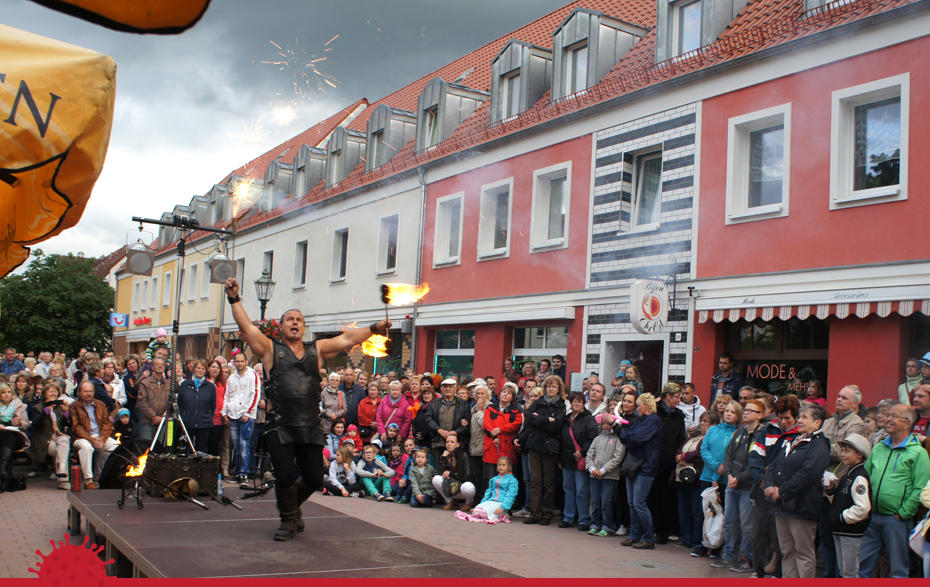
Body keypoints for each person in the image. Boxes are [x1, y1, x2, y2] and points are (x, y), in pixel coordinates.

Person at [225, 276, 391, 541]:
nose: (295, 322)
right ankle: (288, 520)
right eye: (289, 319)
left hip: (310, 426)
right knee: (285, 476)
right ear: (280, 327)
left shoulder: (318, 349)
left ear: (304, 327)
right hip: (281, 426)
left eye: (299, 320)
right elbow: (245, 326)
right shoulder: (269, 350)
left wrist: (374, 327)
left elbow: (348, 338)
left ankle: (290, 506)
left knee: (314, 479)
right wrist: (234, 297)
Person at [857, 403, 930, 578]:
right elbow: (865, 476)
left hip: (896, 520)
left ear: (906, 423)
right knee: (863, 567)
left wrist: (903, 514)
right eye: (888, 415)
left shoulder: (918, 453)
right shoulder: (880, 447)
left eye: (893, 416)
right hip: (872, 517)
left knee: (898, 570)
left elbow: (920, 487)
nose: (888, 419)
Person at [762, 403, 831, 579]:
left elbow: (807, 474)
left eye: (804, 417)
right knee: (787, 550)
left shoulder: (819, 445)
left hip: (802, 506)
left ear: (817, 423)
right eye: (800, 416)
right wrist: (769, 485)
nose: (799, 420)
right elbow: (774, 465)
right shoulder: (793, 441)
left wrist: (782, 491)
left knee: (803, 552)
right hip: (782, 505)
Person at [747, 394, 801, 578]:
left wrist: (777, 486)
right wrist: (761, 480)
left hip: (783, 494)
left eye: (788, 418)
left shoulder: (800, 435)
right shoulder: (768, 430)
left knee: (780, 538)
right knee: (758, 534)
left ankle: (778, 572)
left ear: (796, 417)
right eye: (781, 417)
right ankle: (757, 569)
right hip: (761, 491)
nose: (784, 422)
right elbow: (755, 456)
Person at [602, 393, 663, 549]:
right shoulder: (641, 420)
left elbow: (633, 438)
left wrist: (615, 425)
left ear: (646, 406)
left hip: (645, 466)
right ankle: (635, 535)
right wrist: (620, 427)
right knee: (632, 503)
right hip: (634, 465)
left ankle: (648, 537)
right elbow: (627, 436)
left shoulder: (653, 421)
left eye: (639, 404)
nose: (636, 407)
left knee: (639, 503)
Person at [819, 384, 866, 577]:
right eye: (838, 396)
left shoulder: (857, 424)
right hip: (823, 484)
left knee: (840, 536)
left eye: (844, 398)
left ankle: (839, 576)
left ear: (855, 403)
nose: (839, 399)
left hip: (841, 486)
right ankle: (828, 574)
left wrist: (820, 449)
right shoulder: (829, 421)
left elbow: (841, 452)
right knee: (825, 536)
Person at [714, 398, 765, 572]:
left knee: (747, 524)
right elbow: (728, 455)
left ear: (760, 415)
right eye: (745, 410)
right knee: (729, 521)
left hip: (747, 486)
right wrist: (729, 475)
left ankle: (746, 557)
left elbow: (757, 463)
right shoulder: (740, 431)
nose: (746, 412)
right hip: (732, 483)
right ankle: (729, 554)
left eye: (751, 410)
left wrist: (740, 478)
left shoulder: (762, 435)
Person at [522, 375, 567, 526]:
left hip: (550, 447)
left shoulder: (561, 405)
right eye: (549, 386)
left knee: (548, 482)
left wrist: (539, 419)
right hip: (534, 445)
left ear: (559, 389)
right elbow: (530, 419)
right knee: (535, 481)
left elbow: (557, 427)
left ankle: (546, 513)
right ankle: (534, 513)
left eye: (554, 386)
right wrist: (548, 419)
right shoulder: (539, 402)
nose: (551, 389)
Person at [826, 433, 872, 578]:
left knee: (850, 573)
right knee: (843, 571)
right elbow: (843, 498)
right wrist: (830, 489)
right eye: (843, 450)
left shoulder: (859, 476)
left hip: (850, 532)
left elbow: (863, 508)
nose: (843, 455)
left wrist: (842, 517)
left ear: (859, 454)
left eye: (847, 451)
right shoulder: (848, 474)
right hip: (841, 530)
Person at [652, 382, 687, 544]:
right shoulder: (654, 412)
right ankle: (650, 528)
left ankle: (663, 532)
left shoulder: (679, 417)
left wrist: (679, 454)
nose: (679, 400)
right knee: (650, 497)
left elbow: (681, 440)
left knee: (666, 499)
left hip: (669, 464)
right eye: (677, 397)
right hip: (651, 462)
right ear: (668, 396)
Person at [678, 411, 716, 556]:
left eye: (707, 421)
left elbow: (700, 453)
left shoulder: (709, 438)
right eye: (702, 420)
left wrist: (683, 456)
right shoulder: (694, 436)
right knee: (684, 510)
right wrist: (679, 455)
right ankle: (685, 537)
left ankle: (696, 539)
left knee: (696, 511)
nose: (703, 423)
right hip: (683, 477)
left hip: (698, 478)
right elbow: (680, 447)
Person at [71, 380, 120, 490]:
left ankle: (109, 477)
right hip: (82, 437)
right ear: (79, 393)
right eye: (85, 391)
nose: (88, 394)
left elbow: (107, 424)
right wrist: (92, 440)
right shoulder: (74, 406)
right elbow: (76, 427)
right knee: (87, 448)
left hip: (100, 436)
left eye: (91, 391)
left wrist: (102, 439)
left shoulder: (100, 404)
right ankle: (88, 480)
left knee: (117, 447)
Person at [559, 391, 598, 530]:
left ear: (583, 403)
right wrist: (560, 458)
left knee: (582, 490)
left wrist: (582, 452)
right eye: (574, 401)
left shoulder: (589, 418)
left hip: (581, 459)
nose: (577, 403)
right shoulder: (566, 418)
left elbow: (593, 438)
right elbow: (561, 439)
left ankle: (583, 520)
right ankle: (568, 517)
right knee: (568, 489)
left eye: (579, 401)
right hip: (567, 459)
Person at [586, 412, 625, 536]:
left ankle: (607, 525)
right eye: (603, 424)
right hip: (594, 475)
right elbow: (589, 455)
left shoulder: (618, 440)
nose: (606, 426)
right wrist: (592, 469)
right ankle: (595, 524)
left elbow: (617, 458)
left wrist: (603, 470)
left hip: (609, 476)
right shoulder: (597, 439)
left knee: (606, 503)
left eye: (608, 424)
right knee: (596, 501)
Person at [26, 383, 71, 490]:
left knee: (65, 440)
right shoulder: (36, 408)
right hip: (44, 439)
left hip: (58, 436)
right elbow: (36, 423)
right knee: (62, 450)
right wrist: (46, 411)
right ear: (44, 394)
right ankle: (63, 480)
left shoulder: (59, 407)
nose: (53, 393)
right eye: (50, 391)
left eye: (55, 391)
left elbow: (68, 424)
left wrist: (66, 412)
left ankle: (61, 471)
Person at [223, 352, 259, 482]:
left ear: (246, 361)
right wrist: (224, 412)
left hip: (246, 416)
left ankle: (244, 473)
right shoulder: (232, 378)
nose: (239, 364)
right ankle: (238, 472)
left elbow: (255, 395)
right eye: (237, 361)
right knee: (236, 446)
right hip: (233, 415)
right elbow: (227, 396)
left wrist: (248, 413)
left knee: (244, 445)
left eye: (241, 361)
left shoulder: (252, 375)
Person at [426, 378, 470, 468]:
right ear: (441, 389)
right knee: (438, 470)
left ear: (455, 389)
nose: (447, 389)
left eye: (450, 387)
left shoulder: (463, 404)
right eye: (445, 387)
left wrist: (456, 432)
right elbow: (428, 419)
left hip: (457, 444)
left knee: (456, 469)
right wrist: (439, 430)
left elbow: (467, 423)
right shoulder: (434, 403)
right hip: (438, 442)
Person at [177, 360, 216, 454]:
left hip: (204, 422)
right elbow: (180, 403)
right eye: (198, 368)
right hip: (188, 421)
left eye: (203, 368)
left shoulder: (210, 386)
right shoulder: (185, 384)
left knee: (202, 448)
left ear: (206, 371)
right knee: (186, 447)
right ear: (194, 369)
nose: (200, 370)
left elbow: (212, 405)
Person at [0, 382, 31, 490]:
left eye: (9, 392)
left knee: (11, 436)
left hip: (16, 438)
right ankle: (4, 473)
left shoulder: (19, 406)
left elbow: (27, 425)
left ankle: (2, 469)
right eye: (3, 392)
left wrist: (19, 423)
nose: (6, 395)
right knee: (6, 438)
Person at [433, 432, 475, 511]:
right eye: (447, 442)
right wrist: (443, 458)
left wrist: (451, 473)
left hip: (462, 488)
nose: (449, 444)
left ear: (458, 444)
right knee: (436, 478)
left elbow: (466, 475)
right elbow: (441, 473)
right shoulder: (445, 455)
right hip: (450, 487)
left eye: (452, 442)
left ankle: (468, 502)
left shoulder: (463, 455)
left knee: (468, 487)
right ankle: (449, 501)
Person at [136, 356, 170, 446]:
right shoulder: (145, 383)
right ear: (152, 367)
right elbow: (142, 402)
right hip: (147, 421)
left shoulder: (169, 384)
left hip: (163, 421)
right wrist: (153, 416)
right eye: (157, 364)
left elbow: (172, 401)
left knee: (162, 447)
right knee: (146, 448)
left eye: (162, 364)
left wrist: (164, 415)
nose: (160, 366)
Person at [471, 456, 519, 521]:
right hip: (491, 501)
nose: (501, 467)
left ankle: (503, 514)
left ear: (509, 467)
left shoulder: (512, 480)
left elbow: (510, 495)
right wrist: (481, 504)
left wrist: (503, 507)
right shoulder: (494, 479)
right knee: (475, 513)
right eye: (499, 465)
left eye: (503, 465)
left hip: (500, 503)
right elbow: (488, 493)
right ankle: (495, 514)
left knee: (483, 514)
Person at [467, 381, 490, 499]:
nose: (480, 396)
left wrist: (481, 411)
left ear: (487, 396)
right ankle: (475, 500)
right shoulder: (473, 408)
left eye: (482, 394)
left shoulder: (490, 407)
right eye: (478, 394)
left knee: (484, 476)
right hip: (474, 447)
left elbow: (485, 426)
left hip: (485, 448)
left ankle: (482, 500)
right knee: (475, 475)